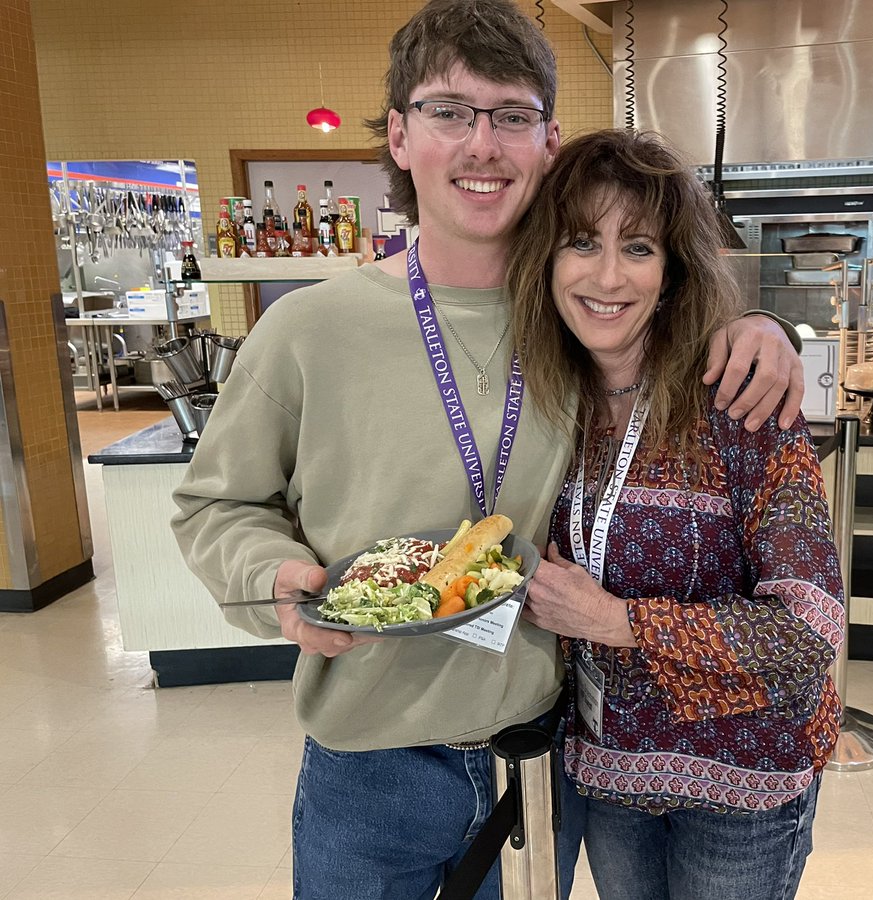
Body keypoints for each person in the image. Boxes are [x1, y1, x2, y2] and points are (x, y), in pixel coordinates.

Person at [170, 3, 807, 898]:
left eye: (511, 115)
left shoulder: (582, 317)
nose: (482, 144)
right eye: (448, 111)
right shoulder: (307, 331)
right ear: (398, 134)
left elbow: (673, 304)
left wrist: (759, 323)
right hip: (370, 758)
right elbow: (215, 503)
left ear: (547, 141)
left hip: (539, 755)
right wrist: (272, 574)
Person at [510, 129, 845, 900]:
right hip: (610, 768)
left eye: (638, 248)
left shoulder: (739, 396)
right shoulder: (546, 406)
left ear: (673, 270)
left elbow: (809, 626)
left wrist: (619, 621)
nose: (605, 276)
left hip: (743, 781)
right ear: (546, 262)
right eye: (581, 242)